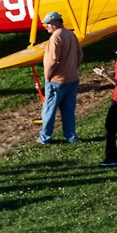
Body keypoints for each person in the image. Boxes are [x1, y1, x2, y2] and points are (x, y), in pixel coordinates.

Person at [38, 10, 83, 145]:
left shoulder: (56, 38)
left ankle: (45, 137)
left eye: (49, 23)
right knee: (68, 110)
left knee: (49, 111)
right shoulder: (71, 34)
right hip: (72, 79)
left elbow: (52, 60)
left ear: (56, 22)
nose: (47, 26)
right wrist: (73, 68)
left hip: (57, 80)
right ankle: (71, 136)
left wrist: (47, 77)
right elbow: (80, 55)